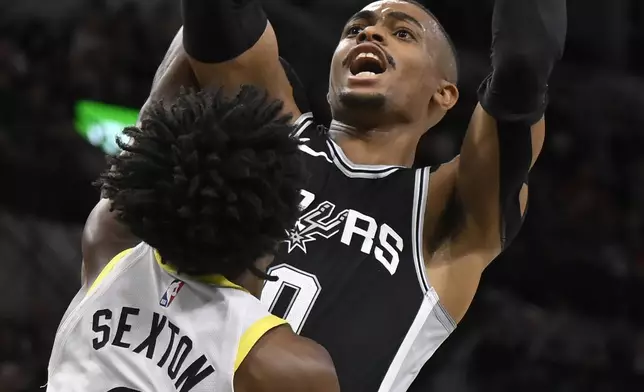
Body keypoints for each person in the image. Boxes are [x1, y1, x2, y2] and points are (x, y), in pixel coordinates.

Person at [120, 0, 566, 390]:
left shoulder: (443, 208)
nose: (371, 32)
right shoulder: (268, 130)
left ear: (445, 94)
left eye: (403, 33)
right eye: (355, 29)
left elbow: (523, 65)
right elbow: (216, 17)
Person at [46, 86, 340, 392]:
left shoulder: (108, 243)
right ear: (278, 226)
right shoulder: (283, 365)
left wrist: (195, 42)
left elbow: (144, 136)